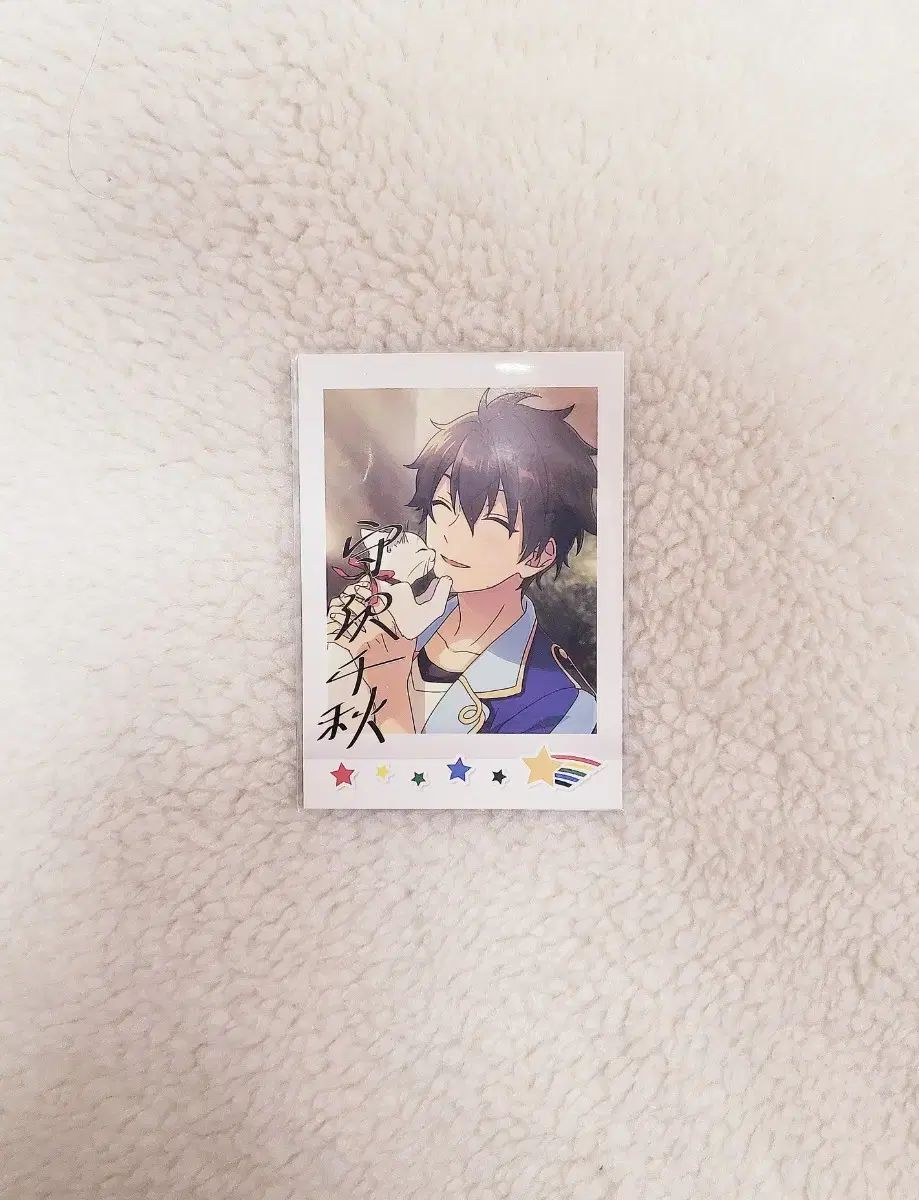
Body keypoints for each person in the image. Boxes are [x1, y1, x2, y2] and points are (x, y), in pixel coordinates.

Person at [328, 390, 598, 735]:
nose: (449, 533)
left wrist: (387, 686)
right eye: (442, 505)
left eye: (492, 520)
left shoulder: (562, 706)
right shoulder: (402, 616)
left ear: (538, 555)